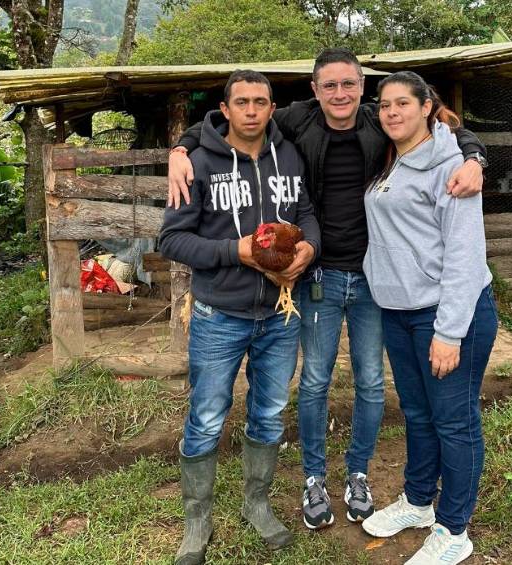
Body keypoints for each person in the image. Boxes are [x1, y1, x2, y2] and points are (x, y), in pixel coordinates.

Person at [166, 48, 488, 530]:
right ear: (314, 92)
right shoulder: (298, 122)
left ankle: (358, 474)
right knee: (313, 381)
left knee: (372, 383)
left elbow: (447, 128)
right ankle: (311, 479)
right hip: (315, 280)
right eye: (329, 85)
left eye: (350, 85)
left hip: (376, 282)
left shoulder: (383, 122)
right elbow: (219, 124)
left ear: (363, 89)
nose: (340, 93)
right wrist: (179, 149)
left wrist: (476, 157)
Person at [159, 70, 321, 565]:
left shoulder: (288, 154)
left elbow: (307, 210)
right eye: (242, 102)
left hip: (280, 313)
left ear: (273, 108)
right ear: (224, 110)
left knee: (269, 412)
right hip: (219, 314)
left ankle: (256, 503)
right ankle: (197, 520)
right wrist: (238, 251)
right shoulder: (198, 163)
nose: (252, 110)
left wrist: (309, 247)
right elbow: (172, 240)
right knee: (207, 417)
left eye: (261, 102)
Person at [360, 71, 498, 565]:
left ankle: (454, 529)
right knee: (418, 415)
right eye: (384, 105)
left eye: (403, 103)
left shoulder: (452, 168)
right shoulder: (390, 157)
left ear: (426, 107)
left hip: (445, 314)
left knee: (454, 421)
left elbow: (464, 255)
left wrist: (449, 331)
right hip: (399, 311)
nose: (392, 112)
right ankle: (419, 502)